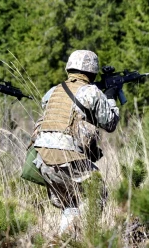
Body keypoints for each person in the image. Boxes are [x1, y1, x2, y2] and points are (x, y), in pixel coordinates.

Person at [30, 50, 119, 232]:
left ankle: (63, 239)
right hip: (67, 160)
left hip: (42, 161)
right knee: (97, 192)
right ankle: (84, 237)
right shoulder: (92, 92)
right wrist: (110, 97)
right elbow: (110, 123)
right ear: (92, 71)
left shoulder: (53, 91)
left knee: (72, 203)